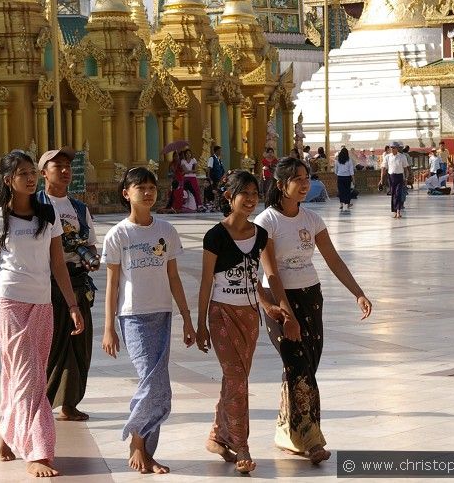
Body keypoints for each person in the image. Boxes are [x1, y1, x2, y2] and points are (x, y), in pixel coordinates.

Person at [254, 157, 372, 466]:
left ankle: (286, 432)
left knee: (308, 364)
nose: (305, 184)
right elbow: (272, 273)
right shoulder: (266, 222)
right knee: (298, 366)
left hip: (311, 297)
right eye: (298, 179)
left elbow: (333, 260)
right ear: (281, 185)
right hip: (281, 302)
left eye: (307, 178)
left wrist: (358, 293)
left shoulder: (311, 219)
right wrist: (286, 314)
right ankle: (309, 438)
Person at [0, 150, 85, 478]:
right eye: (22, 173)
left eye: (31, 172)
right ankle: (38, 451)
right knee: (32, 378)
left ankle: (6, 434)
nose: (29, 177)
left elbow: (58, 265)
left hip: (42, 303)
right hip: (9, 302)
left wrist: (72, 305)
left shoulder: (47, 214)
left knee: (21, 376)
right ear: (8, 180)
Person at [196, 170, 295, 475]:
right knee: (238, 379)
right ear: (229, 197)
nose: (251, 200)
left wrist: (277, 306)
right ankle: (242, 446)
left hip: (249, 316)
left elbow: (265, 278)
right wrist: (200, 325)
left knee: (234, 380)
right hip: (222, 315)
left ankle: (217, 435)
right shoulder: (215, 236)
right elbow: (205, 283)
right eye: (245, 194)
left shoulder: (260, 235)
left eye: (255, 194)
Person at [101, 167, 196, 474]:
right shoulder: (119, 234)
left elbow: (173, 276)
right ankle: (137, 440)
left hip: (162, 313)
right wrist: (108, 328)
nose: (148, 192)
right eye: (140, 187)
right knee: (151, 382)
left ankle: (147, 450)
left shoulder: (166, 230)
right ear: (126, 193)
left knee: (159, 386)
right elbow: (113, 284)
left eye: (152, 187)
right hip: (133, 316)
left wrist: (186, 317)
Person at [37, 148, 99, 424]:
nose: (64, 171)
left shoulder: (79, 209)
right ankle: (41, 403)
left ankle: (70, 403)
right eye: (57, 165)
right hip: (46, 283)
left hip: (76, 281)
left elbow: (90, 244)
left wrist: (90, 258)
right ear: (43, 173)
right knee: (52, 343)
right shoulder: (35, 205)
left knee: (79, 343)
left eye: (67, 166)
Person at [379, 141, 409, 218]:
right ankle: (395, 211)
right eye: (391, 147)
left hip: (399, 176)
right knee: (393, 194)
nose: (392, 149)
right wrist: (382, 179)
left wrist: (406, 178)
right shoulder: (387, 157)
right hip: (391, 177)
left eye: (394, 147)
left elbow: (405, 169)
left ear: (397, 148)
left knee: (398, 193)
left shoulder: (402, 157)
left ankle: (398, 210)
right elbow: (383, 168)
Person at [334, 146, 354, 211]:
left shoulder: (337, 160)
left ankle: (341, 204)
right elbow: (351, 170)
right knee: (347, 190)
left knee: (341, 191)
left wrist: (337, 175)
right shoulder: (349, 160)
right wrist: (353, 179)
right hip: (347, 177)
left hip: (340, 177)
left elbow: (335, 170)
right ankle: (347, 204)